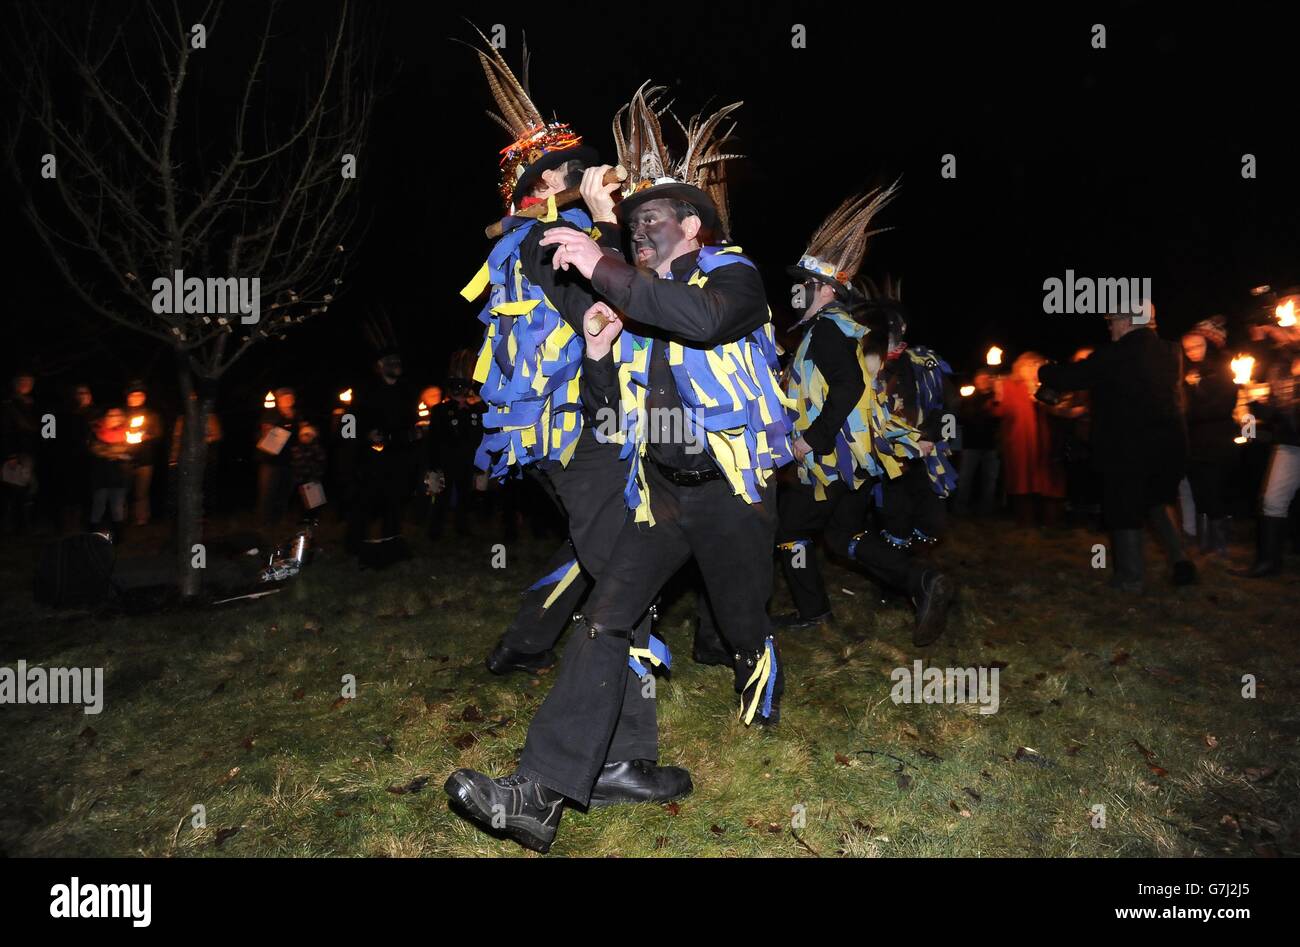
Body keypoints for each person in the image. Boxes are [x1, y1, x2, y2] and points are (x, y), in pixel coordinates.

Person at [447, 84, 780, 851]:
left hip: (729, 493)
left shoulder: (735, 278)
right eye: (632, 224)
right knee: (605, 616)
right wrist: (598, 355)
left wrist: (599, 248)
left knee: (742, 623)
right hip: (659, 499)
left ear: (692, 226)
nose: (638, 229)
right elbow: (610, 411)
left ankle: (754, 674)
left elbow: (697, 319)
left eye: (651, 220)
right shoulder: (636, 298)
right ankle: (540, 793)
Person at [452, 32, 646, 685]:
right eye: (574, 168)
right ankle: (623, 692)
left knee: (590, 540)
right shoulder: (547, 237)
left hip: (550, 427)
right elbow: (601, 305)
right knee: (622, 552)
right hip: (572, 424)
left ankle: (526, 642)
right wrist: (609, 227)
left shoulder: (529, 238)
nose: (590, 173)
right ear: (544, 184)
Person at [774, 185, 952, 644]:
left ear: (824, 288)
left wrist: (811, 439)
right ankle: (921, 580)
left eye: (803, 285)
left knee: (787, 534)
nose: (796, 291)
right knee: (843, 535)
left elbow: (850, 388)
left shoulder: (830, 329)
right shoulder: (835, 330)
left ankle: (810, 611)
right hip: (851, 467)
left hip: (830, 465)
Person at [1038, 303, 1196, 591]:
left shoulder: (1116, 353)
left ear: (1126, 322)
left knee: (1122, 506)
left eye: (1111, 321)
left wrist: (1045, 372)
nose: (1109, 327)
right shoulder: (1172, 352)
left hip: (1128, 449)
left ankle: (1130, 579)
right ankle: (1181, 562)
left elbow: (1069, 377)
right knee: (1156, 502)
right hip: (1169, 447)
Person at [859, 294, 961, 644]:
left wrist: (931, 436)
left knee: (929, 522)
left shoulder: (925, 364)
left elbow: (948, 405)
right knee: (893, 520)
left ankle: (920, 583)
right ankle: (900, 585)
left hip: (923, 459)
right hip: (885, 463)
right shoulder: (865, 365)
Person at [1234, 346, 1300, 576]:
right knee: (1272, 500)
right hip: (1290, 444)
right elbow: (1269, 413)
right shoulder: (1280, 366)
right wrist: (1255, 400)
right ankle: (1268, 563)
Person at [1180, 318, 1237, 557]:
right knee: (1199, 491)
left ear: (1209, 345)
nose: (1192, 352)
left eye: (1197, 346)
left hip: (1217, 442)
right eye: (1188, 348)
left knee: (1214, 490)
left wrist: (1194, 395)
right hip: (1194, 443)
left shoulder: (1224, 371)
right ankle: (1204, 543)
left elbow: (1220, 408)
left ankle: (1220, 543)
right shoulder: (1186, 373)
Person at [990, 352, 1066, 526]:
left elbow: (1058, 409)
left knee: (1045, 480)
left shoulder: (1044, 386)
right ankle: (1025, 522)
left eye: (1037, 364)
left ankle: (1049, 522)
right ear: (1019, 367)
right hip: (1020, 443)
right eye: (1029, 364)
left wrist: (1041, 398)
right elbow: (998, 412)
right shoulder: (1008, 385)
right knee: (1022, 480)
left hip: (1044, 443)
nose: (1033, 368)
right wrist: (996, 398)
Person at [954, 368, 1001, 516]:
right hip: (971, 444)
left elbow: (1000, 417)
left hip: (991, 444)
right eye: (981, 378)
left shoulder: (997, 396)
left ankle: (986, 510)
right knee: (965, 478)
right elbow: (962, 416)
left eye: (987, 378)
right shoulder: (970, 396)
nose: (984, 380)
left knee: (990, 479)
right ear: (976, 380)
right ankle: (960, 509)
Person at [1, 370, 40, 535]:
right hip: (17, 452)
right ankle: (15, 525)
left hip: (33, 452)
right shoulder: (7, 405)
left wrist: (48, 438)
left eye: (28, 380)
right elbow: (5, 431)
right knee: (15, 489)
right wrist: (11, 454)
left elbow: (48, 423)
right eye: (21, 380)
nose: (25, 384)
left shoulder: (36, 404)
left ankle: (25, 524)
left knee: (31, 488)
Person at [123, 381, 163, 527]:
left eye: (139, 395)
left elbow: (158, 433)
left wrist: (146, 435)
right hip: (125, 458)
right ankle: (122, 519)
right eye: (133, 395)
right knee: (124, 490)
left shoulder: (151, 415)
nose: (136, 398)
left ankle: (141, 520)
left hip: (145, 458)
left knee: (142, 492)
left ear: (144, 397)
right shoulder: (121, 414)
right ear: (128, 397)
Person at [256, 387, 298, 525]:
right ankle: (265, 522)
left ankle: (279, 520)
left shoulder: (296, 415)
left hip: (289, 460)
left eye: (290, 397)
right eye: (284, 397)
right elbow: (266, 434)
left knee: (284, 491)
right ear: (278, 400)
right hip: (271, 460)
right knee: (268, 492)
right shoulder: (272, 414)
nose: (288, 400)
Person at [89, 407, 133, 539]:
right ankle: (93, 534)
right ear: (105, 417)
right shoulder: (96, 431)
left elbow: (131, 450)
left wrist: (113, 453)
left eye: (117, 415)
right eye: (111, 415)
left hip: (119, 475)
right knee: (99, 504)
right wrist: (118, 453)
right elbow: (96, 449)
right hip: (100, 474)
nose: (114, 418)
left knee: (117, 505)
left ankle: (118, 536)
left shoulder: (128, 432)